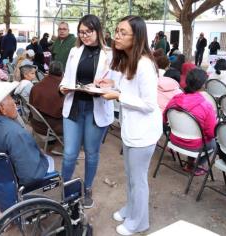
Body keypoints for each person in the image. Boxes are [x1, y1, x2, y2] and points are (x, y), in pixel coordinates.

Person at [98, 16, 162, 235]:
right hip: (131, 130)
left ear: (137, 37)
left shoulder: (145, 65)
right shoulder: (128, 60)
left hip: (143, 133)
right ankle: (131, 209)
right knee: (130, 175)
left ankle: (139, 221)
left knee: (138, 179)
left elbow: (149, 104)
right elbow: (129, 89)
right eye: (117, 30)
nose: (117, 35)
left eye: (123, 32)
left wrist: (118, 95)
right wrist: (113, 84)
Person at [0, 75, 54, 212]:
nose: (14, 101)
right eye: (10, 98)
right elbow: (32, 176)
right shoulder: (14, 133)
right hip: (20, 186)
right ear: (2, 108)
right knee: (50, 162)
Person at [59, 14, 114, 209]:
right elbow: (66, 78)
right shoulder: (75, 52)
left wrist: (102, 87)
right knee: (69, 154)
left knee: (92, 153)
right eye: (81, 32)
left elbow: (115, 83)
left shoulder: (109, 53)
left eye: (87, 32)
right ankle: (64, 188)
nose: (84, 36)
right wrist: (63, 88)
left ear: (97, 31)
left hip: (95, 108)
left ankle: (88, 187)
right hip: (74, 106)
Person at [164, 68, 217, 175]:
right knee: (214, 144)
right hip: (195, 146)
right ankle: (196, 166)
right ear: (203, 86)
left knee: (197, 134)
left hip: (174, 140)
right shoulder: (206, 106)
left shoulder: (175, 99)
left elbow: (165, 119)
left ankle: (190, 163)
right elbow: (211, 133)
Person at [29, 61, 64, 135]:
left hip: (35, 123)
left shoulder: (35, 87)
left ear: (49, 71)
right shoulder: (62, 89)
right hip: (51, 128)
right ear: (62, 72)